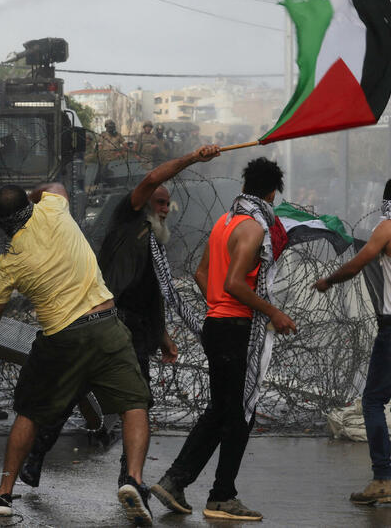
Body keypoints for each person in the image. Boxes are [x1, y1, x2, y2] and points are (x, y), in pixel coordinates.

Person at [19, 144, 222, 488]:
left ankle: (129, 477)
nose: (164, 210)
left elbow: (153, 292)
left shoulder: (155, 242)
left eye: (166, 204)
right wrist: (191, 158)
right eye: (158, 203)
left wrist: (163, 335)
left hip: (136, 332)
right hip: (105, 323)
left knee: (136, 402)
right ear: (143, 202)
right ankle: (36, 457)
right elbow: (153, 178)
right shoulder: (128, 218)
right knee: (72, 392)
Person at [0, 183, 156, 525]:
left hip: (62, 338)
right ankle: (133, 479)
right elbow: (56, 186)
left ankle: (4, 493)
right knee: (135, 404)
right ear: (29, 204)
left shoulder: (9, 259)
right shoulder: (53, 209)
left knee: (30, 413)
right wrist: (34, 193)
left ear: (1, 223)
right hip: (106, 324)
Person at [151, 157, 296, 522]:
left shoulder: (224, 221)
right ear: (272, 192)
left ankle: (175, 482)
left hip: (220, 324)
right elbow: (233, 282)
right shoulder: (251, 228)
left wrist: (217, 303)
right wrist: (273, 312)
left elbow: (202, 274)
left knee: (223, 411)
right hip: (235, 330)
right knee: (238, 415)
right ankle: (221, 497)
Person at [314, 143, 391, 510]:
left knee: (372, 401)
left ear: (390, 203)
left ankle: (383, 479)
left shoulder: (390, 228)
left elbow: (357, 263)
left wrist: (327, 281)